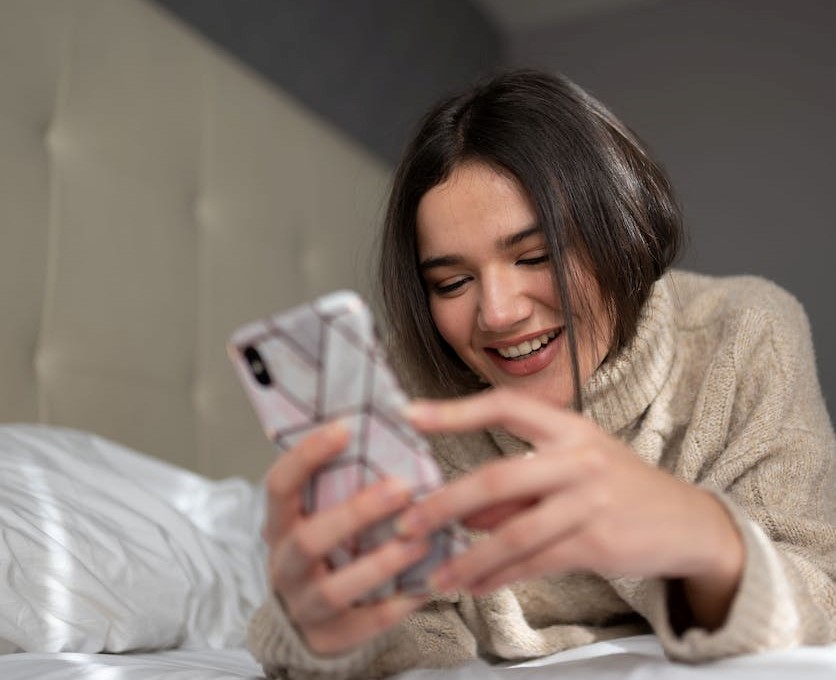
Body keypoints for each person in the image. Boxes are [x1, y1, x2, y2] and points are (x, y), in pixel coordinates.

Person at [247, 69, 836, 679]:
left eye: (536, 256)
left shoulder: (743, 334)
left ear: (621, 230)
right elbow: (415, 636)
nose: (498, 313)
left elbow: (823, 596)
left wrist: (706, 539)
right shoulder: (406, 391)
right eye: (451, 283)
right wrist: (329, 634)